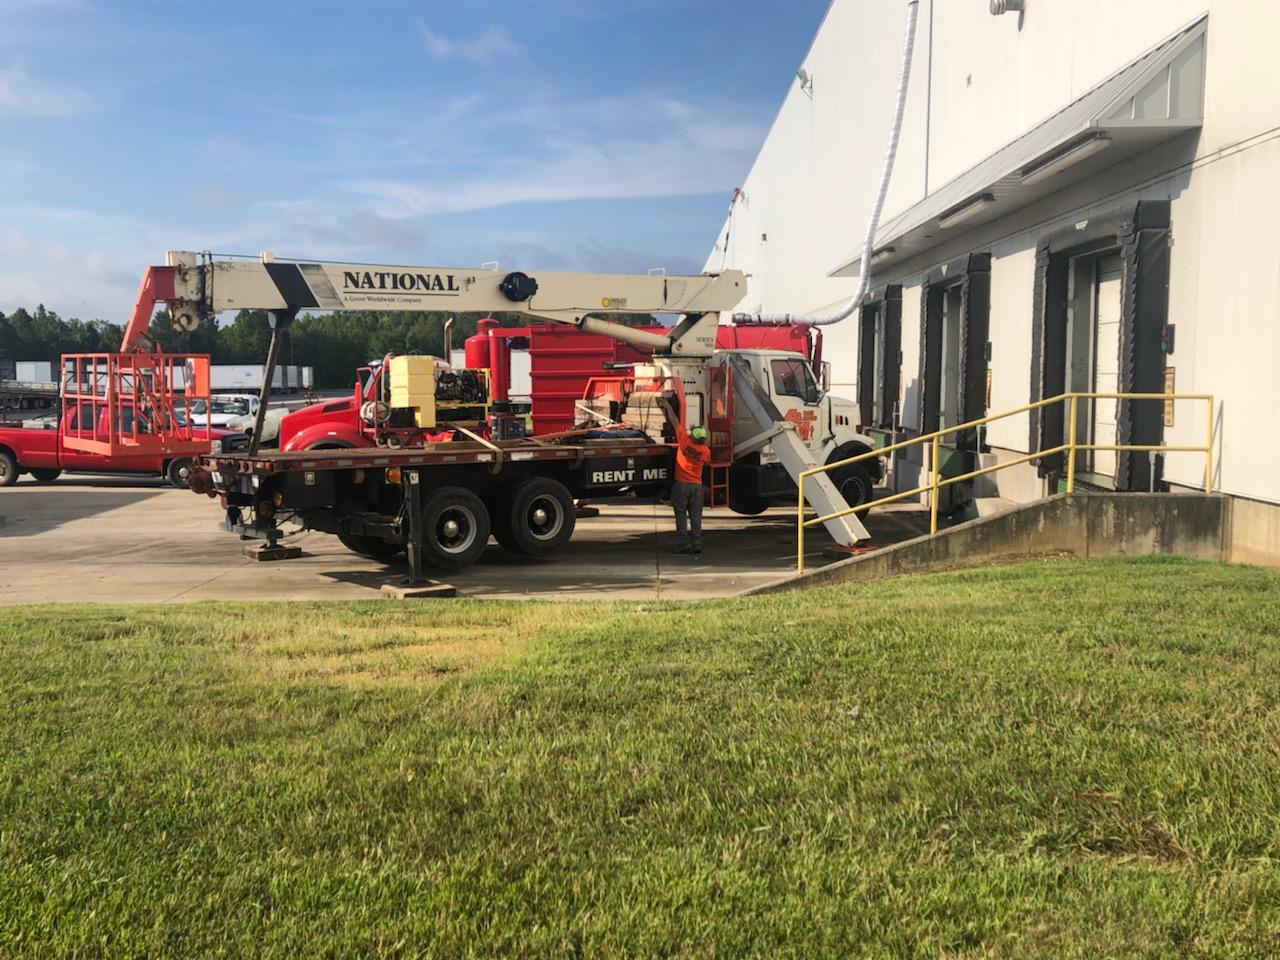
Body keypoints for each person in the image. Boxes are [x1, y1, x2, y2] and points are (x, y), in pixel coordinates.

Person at [661, 397, 711, 555]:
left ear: (692, 436)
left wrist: (668, 405)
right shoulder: (705, 451)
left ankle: (683, 543)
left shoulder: (684, 441)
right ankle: (696, 543)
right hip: (696, 486)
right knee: (696, 516)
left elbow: (675, 422)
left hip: (681, 485)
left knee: (681, 514)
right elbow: (708, 463)